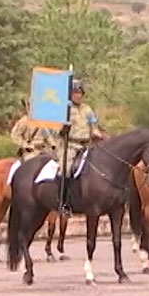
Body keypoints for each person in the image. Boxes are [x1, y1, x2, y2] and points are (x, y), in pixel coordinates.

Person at [55, 79, 105, 215]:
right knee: (65, 169)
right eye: (75, 92)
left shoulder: (87, 109)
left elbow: (93, 126)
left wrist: (99, 135)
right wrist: (64, 128)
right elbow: (57, 131)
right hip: (70, 145)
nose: (78, 95)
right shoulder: (64, 110)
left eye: (80, 92)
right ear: (69, 94)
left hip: (87, 145)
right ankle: (63, 202)